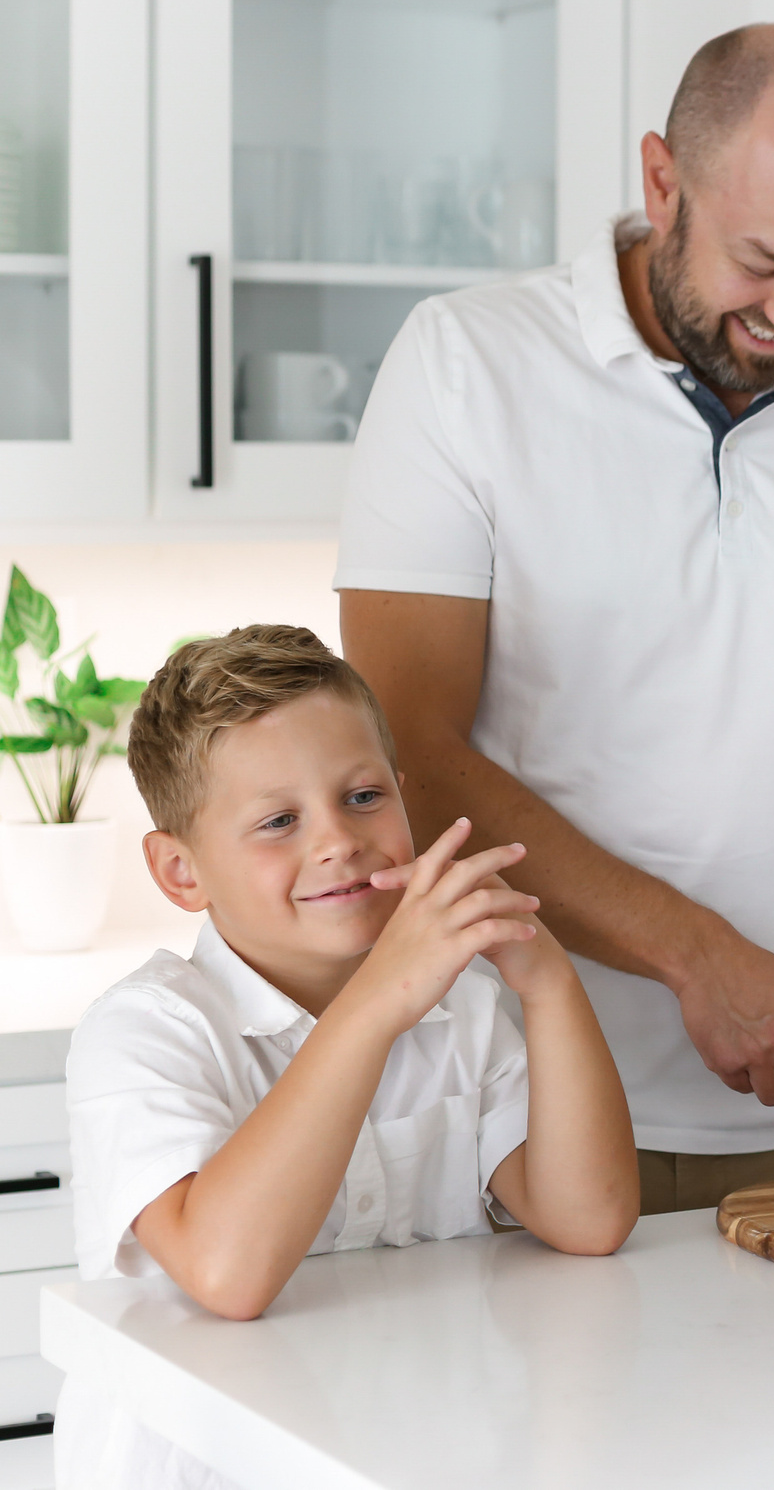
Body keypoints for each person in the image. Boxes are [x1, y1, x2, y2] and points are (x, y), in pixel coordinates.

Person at [334, 25, 774, 1215]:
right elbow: (408, 757)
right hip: (514, 1117)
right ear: (662, 181)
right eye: (761, 261)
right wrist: (699, 958)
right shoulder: (466, 366)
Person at [58, 627, 636, 1488]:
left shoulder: (464, 1009)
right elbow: (227, 1272)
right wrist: (379, 1003)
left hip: (406, 1449)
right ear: (181, 870)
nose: (337, 841)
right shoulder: (143, 1032)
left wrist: (546, 978)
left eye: (364, 796)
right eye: (279, 820)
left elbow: (588, 1220)